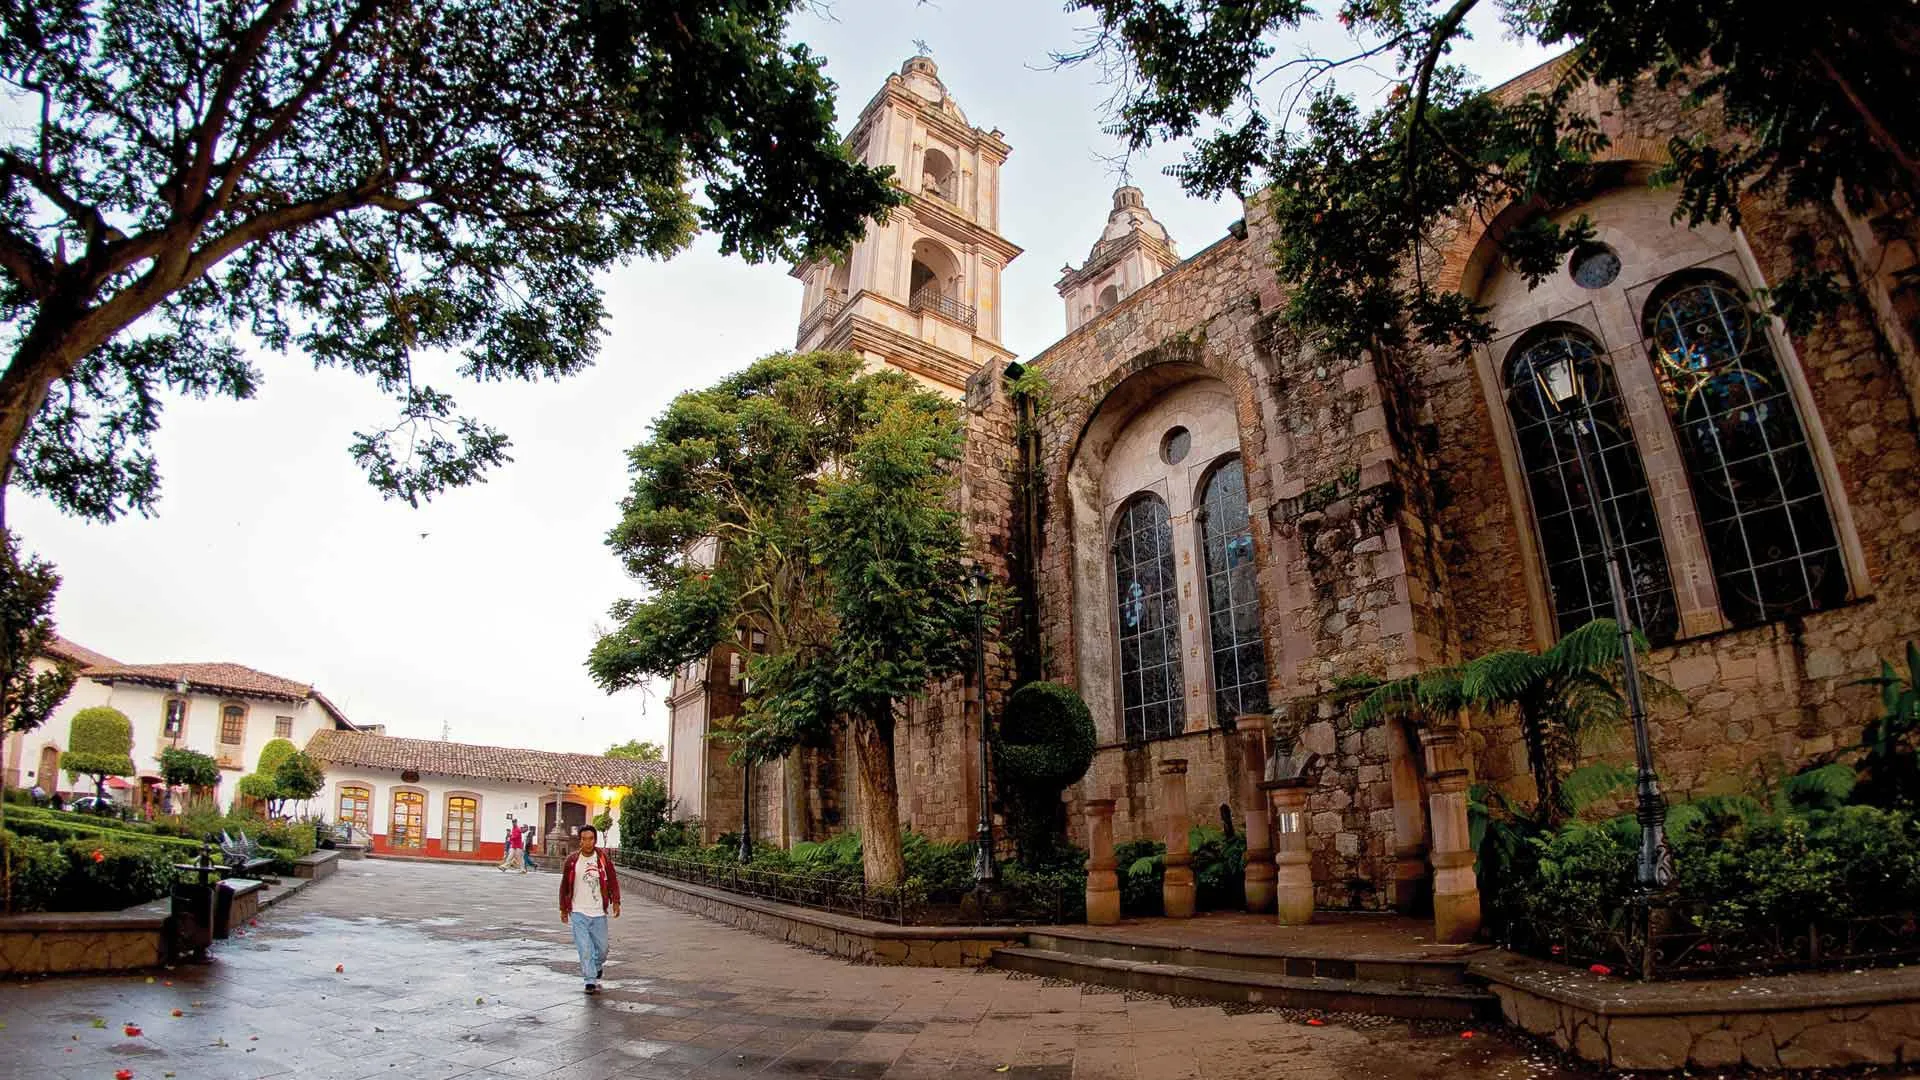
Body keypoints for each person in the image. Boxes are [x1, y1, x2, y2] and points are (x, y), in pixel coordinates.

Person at [558, 824, 620, 993]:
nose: (587, 842)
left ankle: (597, 966)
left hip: (599, 912)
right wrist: (563, 908)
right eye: (584, 839)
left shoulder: (602, 859)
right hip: (578, 911)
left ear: (595, 840)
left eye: (590, 839)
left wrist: (616, 901)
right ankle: (590, 980)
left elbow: (613, 880)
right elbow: (564, 885)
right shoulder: (572, 860)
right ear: (580, 841)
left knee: (603, 949)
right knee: (584, 948)